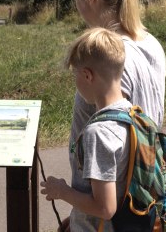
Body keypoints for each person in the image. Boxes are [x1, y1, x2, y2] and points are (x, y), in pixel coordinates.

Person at [61, 0, 166, 231]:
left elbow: (106, 142)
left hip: (106, 212)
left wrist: (85, 206)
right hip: (139, 200)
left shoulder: (104, 55)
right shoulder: (150, 43)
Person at [41, 27, 130, 231]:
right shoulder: (134, 116)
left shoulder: (98, 133)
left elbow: (105, 207)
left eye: (76, 74)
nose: (75, 82)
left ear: (87, 76)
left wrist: (62, 191)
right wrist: (76, 216)